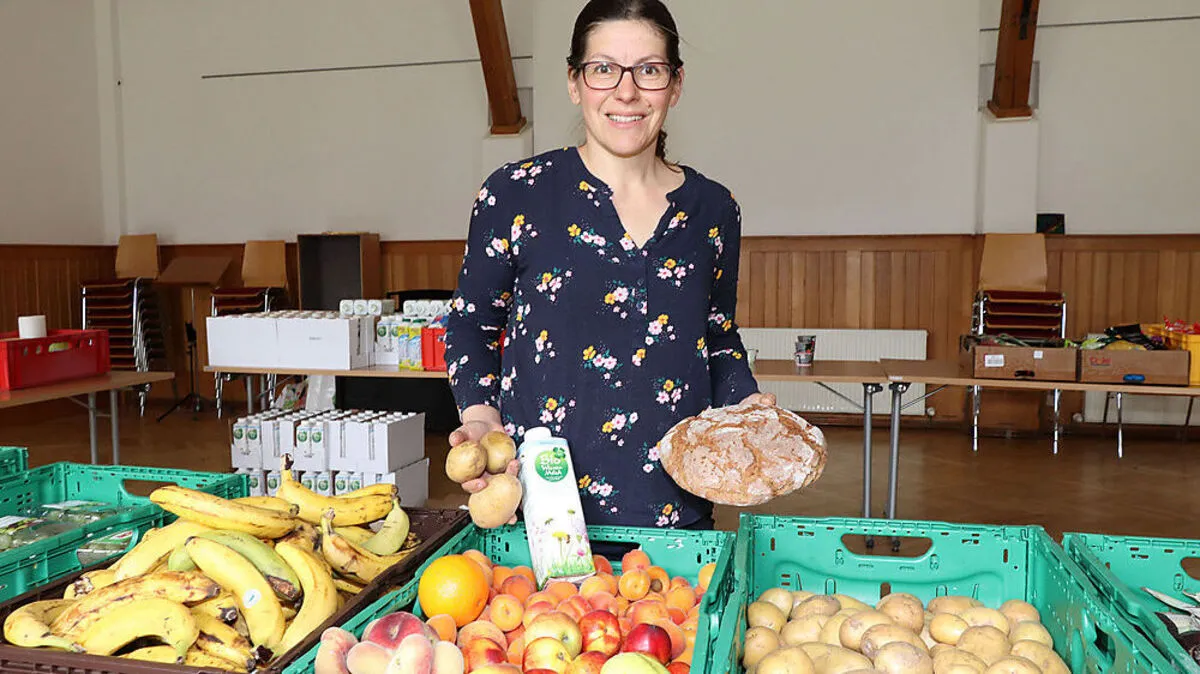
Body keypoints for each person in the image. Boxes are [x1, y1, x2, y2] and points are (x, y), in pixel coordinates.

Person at [443, 0, 774, 532]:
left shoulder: (714, 209)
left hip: (676, 511)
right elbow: (470, 324)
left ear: (675, 84)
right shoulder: (515, 194)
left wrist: (748, 403)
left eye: (649, 70)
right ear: (575, 83)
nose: (627, 91)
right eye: (603, 69)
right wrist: (481, 416)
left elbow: (714, 336)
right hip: (541, 509)